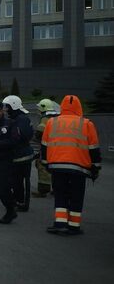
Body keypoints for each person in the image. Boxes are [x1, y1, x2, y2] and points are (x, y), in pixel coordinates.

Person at [42, 95, 101, 236]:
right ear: (79, 107)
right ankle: (73, 226)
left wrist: (45, 163)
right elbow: (94, 148)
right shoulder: (87, 124)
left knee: (60, 194)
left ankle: (60, 224)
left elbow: (44, 145)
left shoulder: (52, 122)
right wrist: (95, 166)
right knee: (76, 195)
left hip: (56, 165)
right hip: (79, 167)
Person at [2, 95, 35, 212]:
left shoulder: (21, 120)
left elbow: (19, 137)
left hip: (21, 156)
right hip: (17, 154)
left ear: (13, 106)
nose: (5, 109)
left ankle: (22, 202)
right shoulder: (19, 119)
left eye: (7, 107)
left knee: (20, 180)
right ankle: (17, 200)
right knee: (15, 180)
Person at [31, 99, 60, 198]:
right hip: (59, 147)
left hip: (47, 147)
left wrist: (35, 138)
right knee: (56, 168)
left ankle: (43, 190)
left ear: (43, 107)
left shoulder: (45, 118)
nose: (38, 110)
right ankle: (57, 189)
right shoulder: (57, 117)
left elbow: (40, 132)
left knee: (42, 166)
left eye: (39, 107)